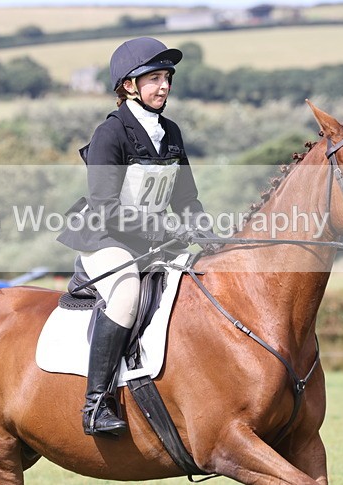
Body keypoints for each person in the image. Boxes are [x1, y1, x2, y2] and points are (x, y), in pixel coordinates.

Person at [57, 37, 216, 437]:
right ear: (129, 85)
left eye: (167, 78)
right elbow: (105, 207)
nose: (164, 86)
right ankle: (96, 404)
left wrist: (208, 234)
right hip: (104, 239)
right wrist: (165, 230)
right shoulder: (110, 134)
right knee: (126, 293)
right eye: (154, 78)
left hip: (152, 243)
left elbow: (186, 198)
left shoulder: (171, 132)